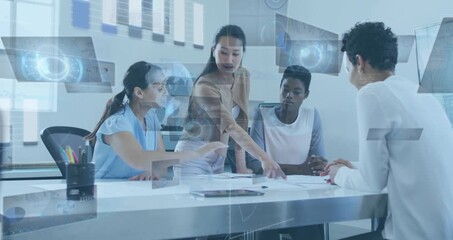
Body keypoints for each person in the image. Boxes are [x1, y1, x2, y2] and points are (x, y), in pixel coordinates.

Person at [322, 22, 453, 240]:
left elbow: (373, 182)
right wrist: (355, 166)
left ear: (359, 62)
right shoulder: (421, 94)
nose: (349, 78)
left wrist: (339, 174)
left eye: (348, 69)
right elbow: (403, 158)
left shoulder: (371, 94)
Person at [175, 25, 285, 179]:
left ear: (242, 54)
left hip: (218, 160)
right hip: (192, 159)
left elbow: (240, 122)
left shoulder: (242, 76)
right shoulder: (204, 86)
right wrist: (264, 158)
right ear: (213, 51)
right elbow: (231, 127)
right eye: (223, 53)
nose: (229, 60)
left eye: (235, 54)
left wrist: (241, 166)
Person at [86, 61, 226, 179]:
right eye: (159, 88)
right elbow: (138, 159)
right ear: (139, 93)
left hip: (134, 189)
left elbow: (162, 168)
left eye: (165, 86)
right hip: (106, 190)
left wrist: (151, 171)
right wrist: (196, 153)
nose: (166, 92)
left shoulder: (151, 118)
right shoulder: (117, 123)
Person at [246, 65, 326, 240]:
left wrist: (318, 166)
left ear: (306, 95)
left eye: (297, 92)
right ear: (280, 88)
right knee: (265, 226)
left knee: (311, 229)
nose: (289, 95)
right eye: (285, 89)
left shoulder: (312, 116)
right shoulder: (262, 115)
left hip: (302, 197)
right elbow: (253, 163)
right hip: (268, 197)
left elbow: (319, 162)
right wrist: (301, 169)